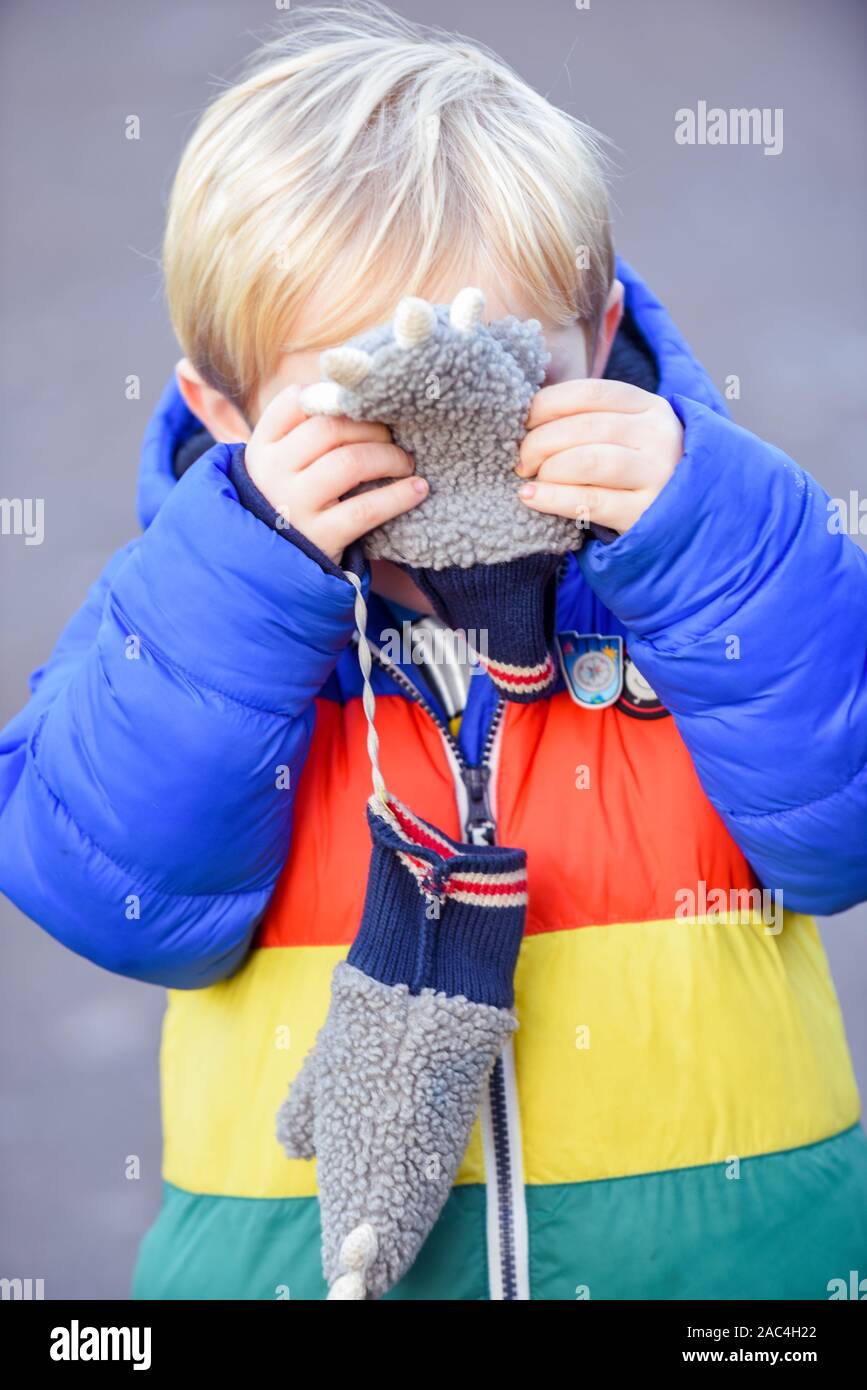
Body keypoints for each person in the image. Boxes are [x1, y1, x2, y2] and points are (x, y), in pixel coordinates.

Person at [2, 4, 865, 1300]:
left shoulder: (702, 589)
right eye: (358, 410)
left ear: (601, 337)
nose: (434, 443)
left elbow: (839, 829)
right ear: (223, 413)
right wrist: (245, 571)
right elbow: (108, 893)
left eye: (496, 378)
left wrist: (712, 544)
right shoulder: (196, 618)